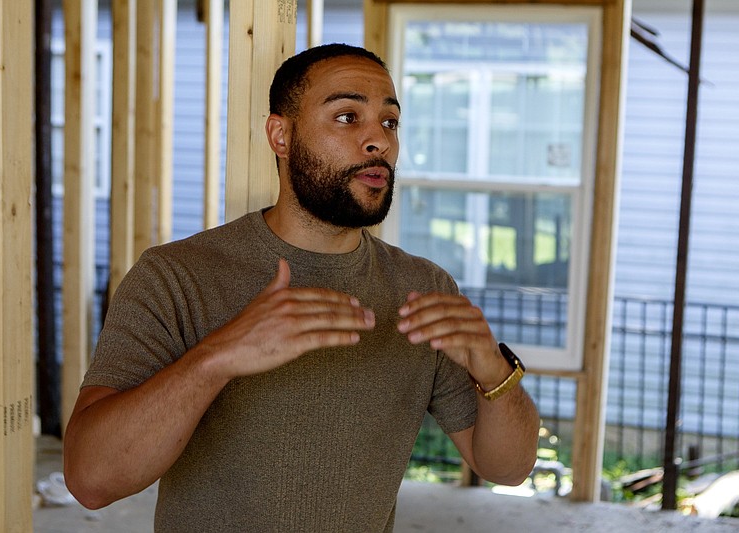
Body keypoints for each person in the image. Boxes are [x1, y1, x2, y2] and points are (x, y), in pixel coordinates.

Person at [64, 43, 540, 532]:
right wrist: (218, 357)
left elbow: (509, 468)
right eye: (347, 117)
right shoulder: (177, 275)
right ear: (281, 135)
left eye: (390, 122)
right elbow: (91, 481)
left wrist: (494, 369)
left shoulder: (422, 288)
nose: (379, 141)